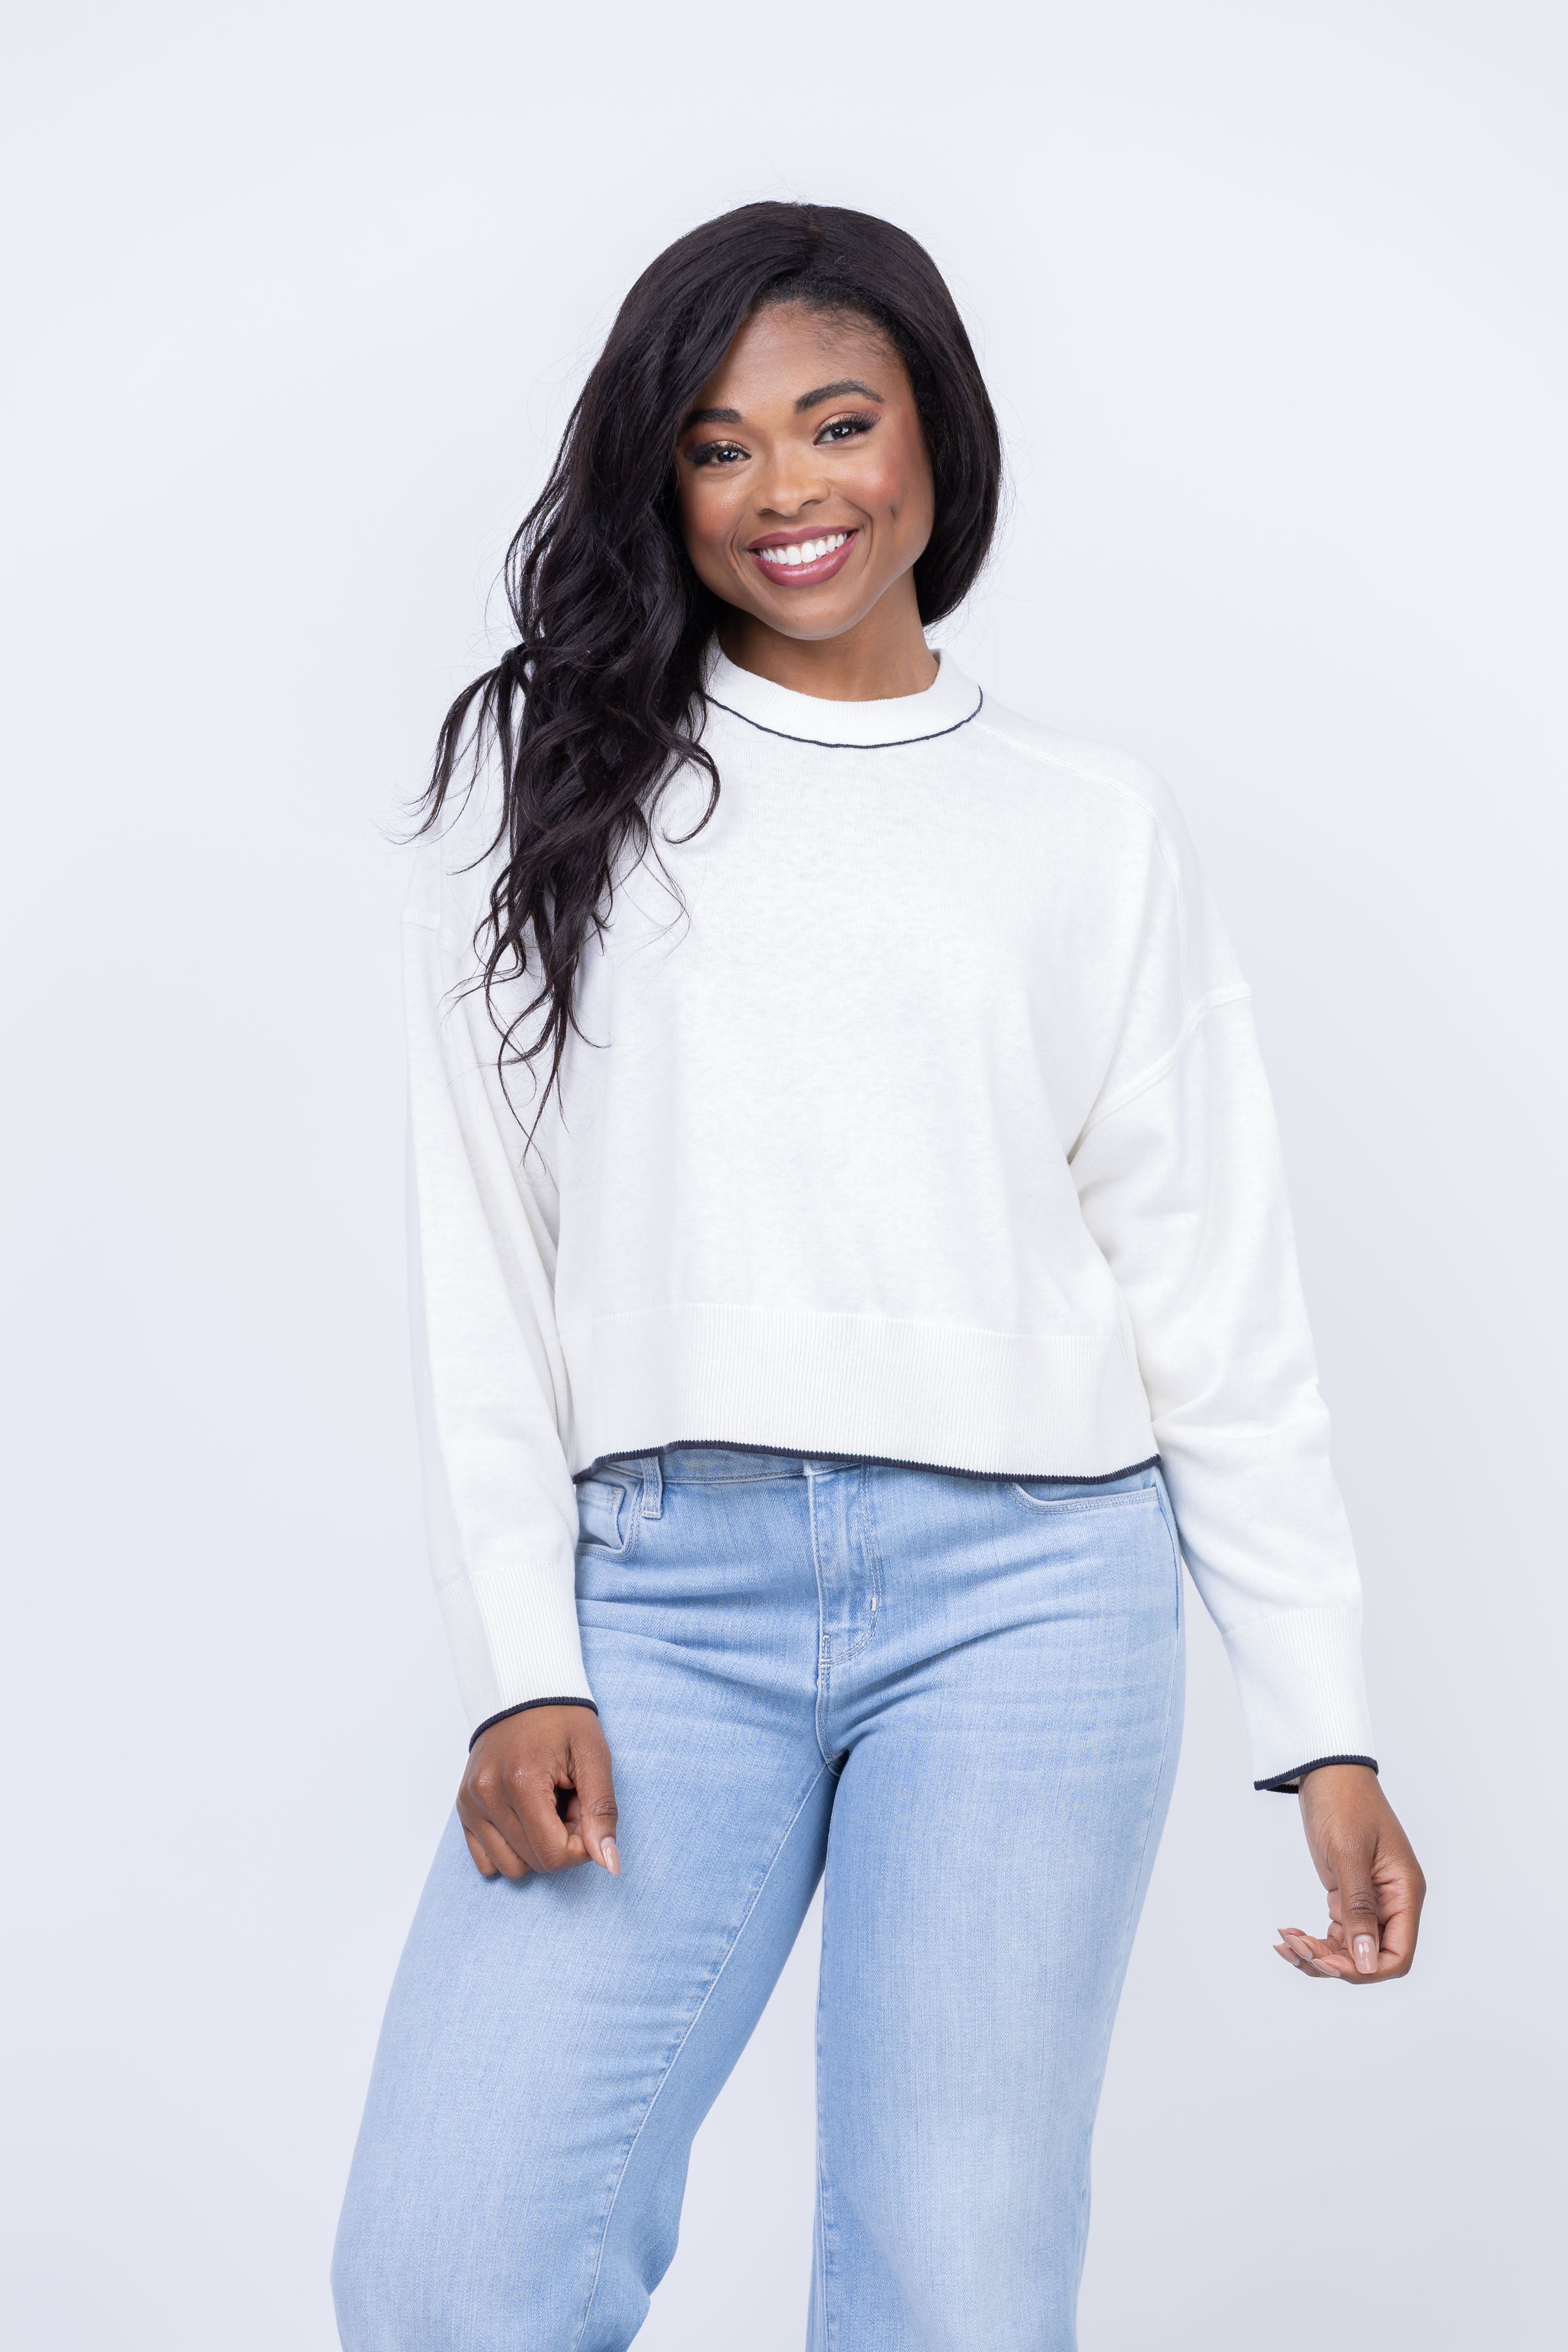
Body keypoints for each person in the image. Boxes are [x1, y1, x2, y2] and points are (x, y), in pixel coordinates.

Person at [332, 201, 1426, 2352]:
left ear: (937, 433)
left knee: (958, 2285)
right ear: (663, 480)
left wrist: (1326, 1728)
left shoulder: (1088, 824)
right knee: (448, 2266)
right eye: (719, 446)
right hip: (659, 1598)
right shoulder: (558, 807)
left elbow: (1214, 1293)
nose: (788, 489)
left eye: (839, 422)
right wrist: (516, 1662)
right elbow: (485, 1273)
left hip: (1035, 1601)